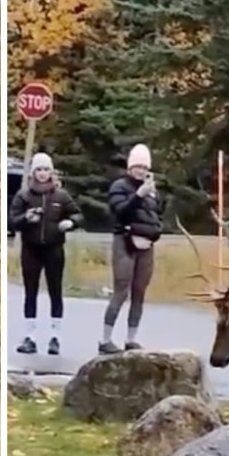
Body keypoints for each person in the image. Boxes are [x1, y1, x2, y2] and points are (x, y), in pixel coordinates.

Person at [8, 152, 81, 356]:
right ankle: (29, 337)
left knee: (55, 291)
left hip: (54, 248)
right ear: (33, 172)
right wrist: (26, 218)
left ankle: (54, 336)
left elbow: (77, 214)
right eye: (38, 170)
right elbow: (12, 221)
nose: (42, 173)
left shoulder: (61, 196)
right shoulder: (24, 195)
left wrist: (71, 223)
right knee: (30, 291)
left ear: (51, 172)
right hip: (31, 249)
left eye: (46, 169)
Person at [100, 143, 164, 354]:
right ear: (130, 167)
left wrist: (155, 230)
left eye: (144, 167)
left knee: (139, 292)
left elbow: (157, 215)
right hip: (125, 241)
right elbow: (119, 211)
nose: (141, 171)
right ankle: (105, 339)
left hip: (147, 245)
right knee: (121, 289)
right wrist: (138, 195)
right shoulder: (120, 186)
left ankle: (131, 338)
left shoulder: (152, 191)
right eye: (137, 166)